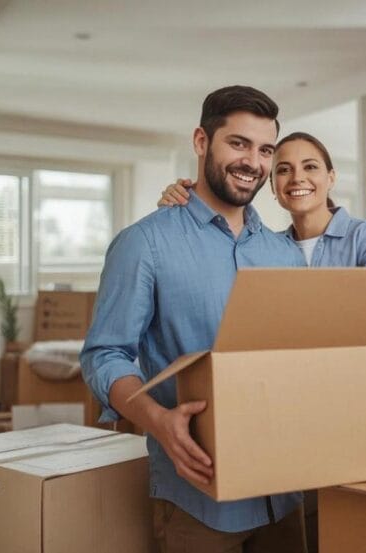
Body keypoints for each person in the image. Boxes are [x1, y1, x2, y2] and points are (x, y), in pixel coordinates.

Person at [81, 85, 308, 553]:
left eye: (265, 149)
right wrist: (157, 420)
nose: (253, 162)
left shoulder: (283, 252)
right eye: (238, 144)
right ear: (202, 142)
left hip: (285, 492)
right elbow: (105, 355)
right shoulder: (144, 243)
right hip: (198, 501)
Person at [158, 131, 366, 268]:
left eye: (310, 167)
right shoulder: (265, 248)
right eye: (284, 170)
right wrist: (185, 202)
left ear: (331, 178)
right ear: (273, 186)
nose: (297, 178)